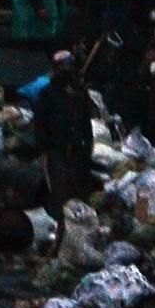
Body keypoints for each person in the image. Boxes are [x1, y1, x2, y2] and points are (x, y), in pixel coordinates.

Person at [31, 51, 94, 207]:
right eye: (61, 67)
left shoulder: (79, 92)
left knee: (78, 188)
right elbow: (40, 122)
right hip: (56, 148)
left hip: (78, 147)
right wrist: (43, 149)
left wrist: (88, 141)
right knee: (59, 189)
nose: (66, 70)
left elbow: (85, 119)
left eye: (68, 66)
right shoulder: (47, 93)